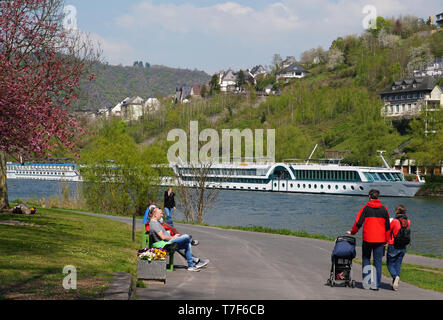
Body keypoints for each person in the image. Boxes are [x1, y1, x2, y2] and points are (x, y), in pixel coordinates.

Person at [347, 189, 390, 290]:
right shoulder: (384, 209)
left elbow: (358, 223)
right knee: (377, 261)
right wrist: (387, 240)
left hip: (368, 239)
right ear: (378, 197)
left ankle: (367, 283)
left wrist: (353, 232)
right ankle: (375, 285)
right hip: (380, 240)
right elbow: (387, 227)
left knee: (366, 259)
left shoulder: (365, 208)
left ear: (369, 197)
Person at [149, 206, 207, 272]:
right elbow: (163, 237)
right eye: (161, 213)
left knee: (186, 245)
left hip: (167, 242)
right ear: (155, 214)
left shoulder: (155, 222)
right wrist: (173, 237)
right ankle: (191, 241)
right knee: (186, 236)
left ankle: (191, 266)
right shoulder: (154, 224)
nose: (162, 215)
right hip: (164, 245)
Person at [386, 205, 410, 291]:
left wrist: (385, 241)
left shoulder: (395, 221)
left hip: (393, 244)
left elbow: (388, 231)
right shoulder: (408, 221)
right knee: (398, 264)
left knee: (389, 263)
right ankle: (396, 282)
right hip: (403, 246)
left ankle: (395, 276)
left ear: (397, 212)